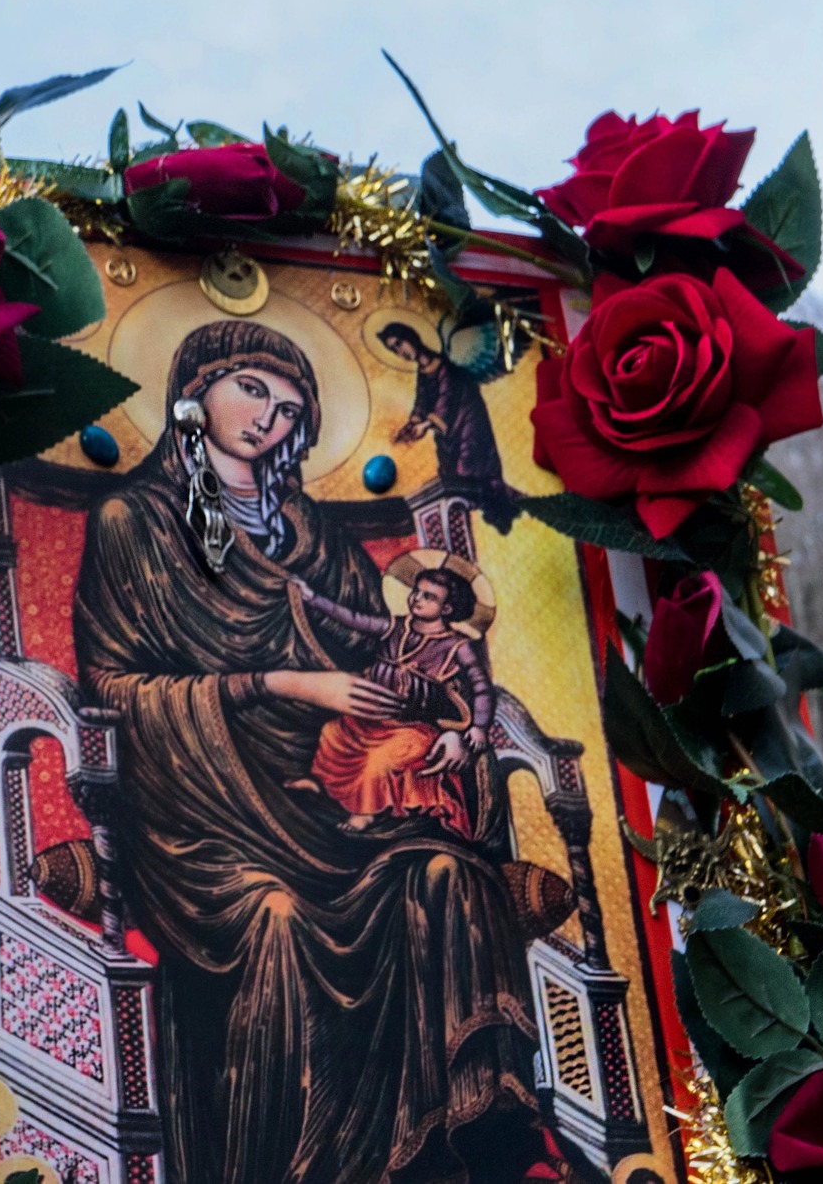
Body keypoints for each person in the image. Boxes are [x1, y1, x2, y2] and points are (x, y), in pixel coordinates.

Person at [72, 319, 553, 1184]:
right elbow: (111, 687)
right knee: (281, 922)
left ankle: (458, 1154)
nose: (272, 421)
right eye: (253, 390)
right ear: (195, 390)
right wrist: (283, 685)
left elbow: (383, 656)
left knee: (450, 877)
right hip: (205, 814)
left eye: (292, 409)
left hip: (336, 795)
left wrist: (448, 718)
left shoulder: (314, 534)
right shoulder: (130, 522)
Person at [285, 563, 494, 835]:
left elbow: (481, 686)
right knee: (332, 733)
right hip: (373, 719)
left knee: (378, 761)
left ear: (447, 609)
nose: (417, 599)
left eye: (428, 597)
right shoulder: (396, 626)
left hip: (415, 727)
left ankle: (364, 814)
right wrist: (313, 599)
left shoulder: (457, 646)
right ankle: (320, 785)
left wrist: (478, 726)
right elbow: (352, 618)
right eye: (416, 592)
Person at [379, 321, 524, 531]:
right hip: (448, 433)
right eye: (394, 349)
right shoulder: (423, 370)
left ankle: (505, 503)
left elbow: (447, 398)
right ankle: (501, 503)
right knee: (453, 477)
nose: (400, 352)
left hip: (469, 424)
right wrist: (412, 424)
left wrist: (427, 424)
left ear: (411, 337)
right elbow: (422, 400)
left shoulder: (445, 364)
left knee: (469, 469)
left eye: (400, 344)